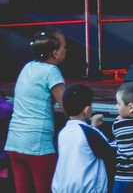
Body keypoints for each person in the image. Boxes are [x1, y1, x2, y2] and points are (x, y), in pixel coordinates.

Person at [5, 28, 67, 193]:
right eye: (64, 47)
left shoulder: (28, 67)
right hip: (36, 144)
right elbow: (68, 107)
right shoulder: (52, 71)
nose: (66, 51)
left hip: (14, 143)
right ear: (55, 53)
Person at [52, 83, 116, 193]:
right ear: (86, 110)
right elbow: (111, 150)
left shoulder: (63, 133)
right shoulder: (89, 133)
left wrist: (93, 127)